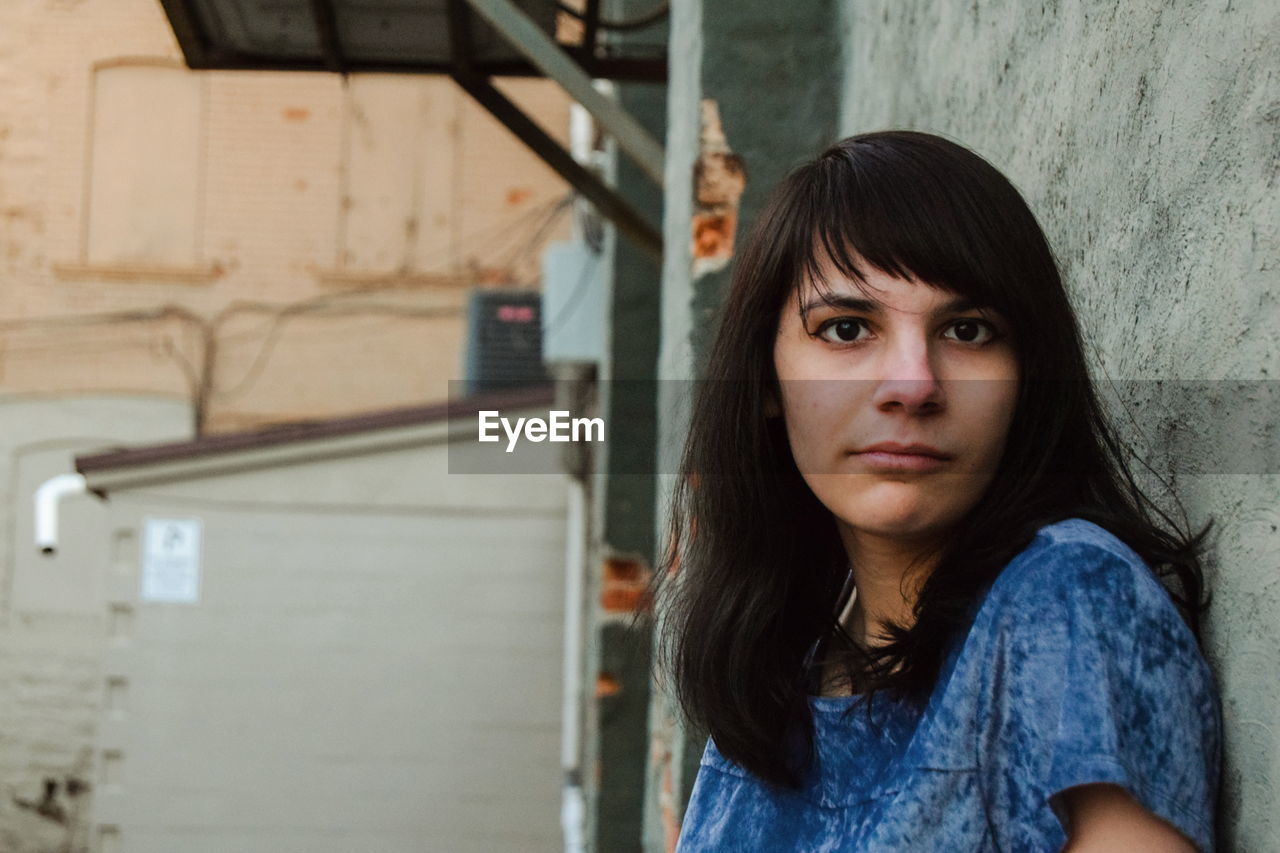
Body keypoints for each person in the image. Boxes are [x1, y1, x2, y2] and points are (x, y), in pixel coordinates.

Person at [650, 131, 1222, 851]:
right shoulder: (777, 689)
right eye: (848, 328)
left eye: (969, 330)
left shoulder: (1067, 598)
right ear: (765, 380)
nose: (914, 383)